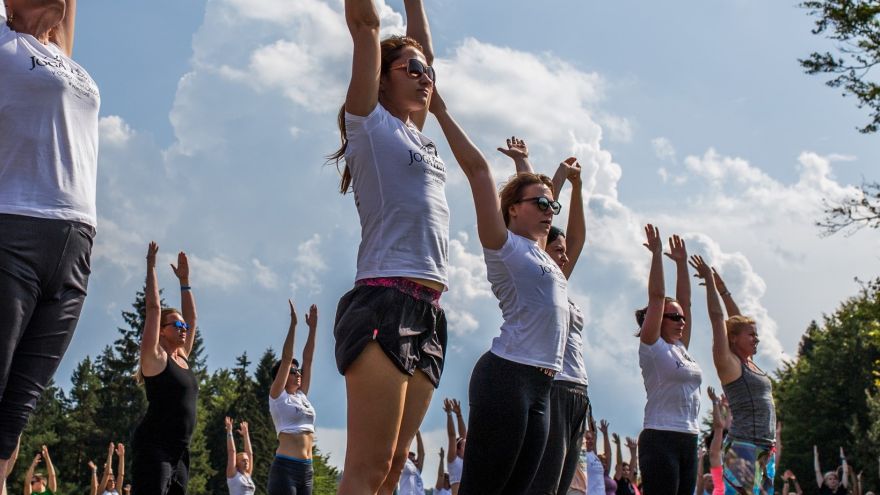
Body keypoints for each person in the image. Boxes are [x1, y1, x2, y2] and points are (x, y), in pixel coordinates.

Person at [332, 0, 448, 492]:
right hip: (384, 297)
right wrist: (374, 30)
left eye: (426, 70)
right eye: (412, 69)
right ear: (381, 78)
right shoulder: (370, 126)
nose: (425, 77)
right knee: (369, 467)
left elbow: (428, 57)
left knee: (397, 466)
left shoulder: (415, 136)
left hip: (429, 309)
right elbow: (364, 24)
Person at [428, 91, 568, 493]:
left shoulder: (540, 253)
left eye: (552, 206)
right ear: (512, 210)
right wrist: (441, 110)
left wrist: (527, 166)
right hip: (507, 377)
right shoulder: (504, 245)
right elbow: (477, 171)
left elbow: (539, 195)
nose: (549, 209)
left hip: (542, 386)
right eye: (541, 203)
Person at [0, 0, 100, 481]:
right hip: (12, 232)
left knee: (15, 414)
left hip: (76, 244)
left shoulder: (62, 52)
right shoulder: (4, 45)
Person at [498, 138, 590, 495]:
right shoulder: (530, 269)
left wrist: (578, 188)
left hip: (577, 392)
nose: (565, 257)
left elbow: (577, 237)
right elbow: (537, 211)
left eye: (566, 253)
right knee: (542, 486)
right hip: (549, 384)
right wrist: (551, 176)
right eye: (558, 250)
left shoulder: (560, 285)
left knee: (564, 488)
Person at [690, 256, 776, 495]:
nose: (757, 339)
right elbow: (719, 320)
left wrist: (724, 290)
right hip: (744, 448)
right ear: (735, 338)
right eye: (752, 335)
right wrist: (708, 281)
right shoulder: (729, 364)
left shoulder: (749, 363)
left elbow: (735, 321)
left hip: (765, 450)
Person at [636, 225, 702, 495]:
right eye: (673, 317)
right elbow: (657, 297)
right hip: (660, 436)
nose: (681, 321)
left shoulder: (680, 347)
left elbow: (685, 301)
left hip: (689, 437)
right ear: (657, 319)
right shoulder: (653, 347)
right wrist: (656, 254)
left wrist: (681, 265)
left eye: (682, 318)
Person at [131, 243, 199, 495]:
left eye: (184, 327)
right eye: (176, 325)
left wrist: (185, 282)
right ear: (161, 329)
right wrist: (151, 267)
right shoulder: (155, 357)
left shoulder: (182, 355)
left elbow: (192, 319)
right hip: (154, 448)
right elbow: (153, 309)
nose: (183, 329)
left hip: (180, 451)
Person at [268, 302, 317, 495]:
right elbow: (287, 358)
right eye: (293, 372)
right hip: (285, 468)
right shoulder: (278, 397)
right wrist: (294, 325)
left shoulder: (301, 395)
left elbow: (309, 359)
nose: (298, 374)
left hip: (307, 469)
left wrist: (312, 329)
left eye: (299, 372)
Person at [225, 417, 255, 495]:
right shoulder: (233, 474)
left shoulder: (247, 474)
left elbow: (250, 454)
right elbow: (232, 452)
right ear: (237, 463)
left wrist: (246, 434)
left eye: (247, 460)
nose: (246, 462)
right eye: (243, 460)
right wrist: (229, 431)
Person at [442, 398, 466, 495]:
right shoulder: (453, 461)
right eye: (465, 445)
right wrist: (449, 414)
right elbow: (452, 436)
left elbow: (463, 435)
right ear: (458, 449)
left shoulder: (466, 460)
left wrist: (459, 415)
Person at [398, 431, 425, 495]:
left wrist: (418, 433)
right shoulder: (405, 465)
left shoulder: (417, 470)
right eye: (410, 455)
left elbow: (422, 453)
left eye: (414, 456)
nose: (413, 457)